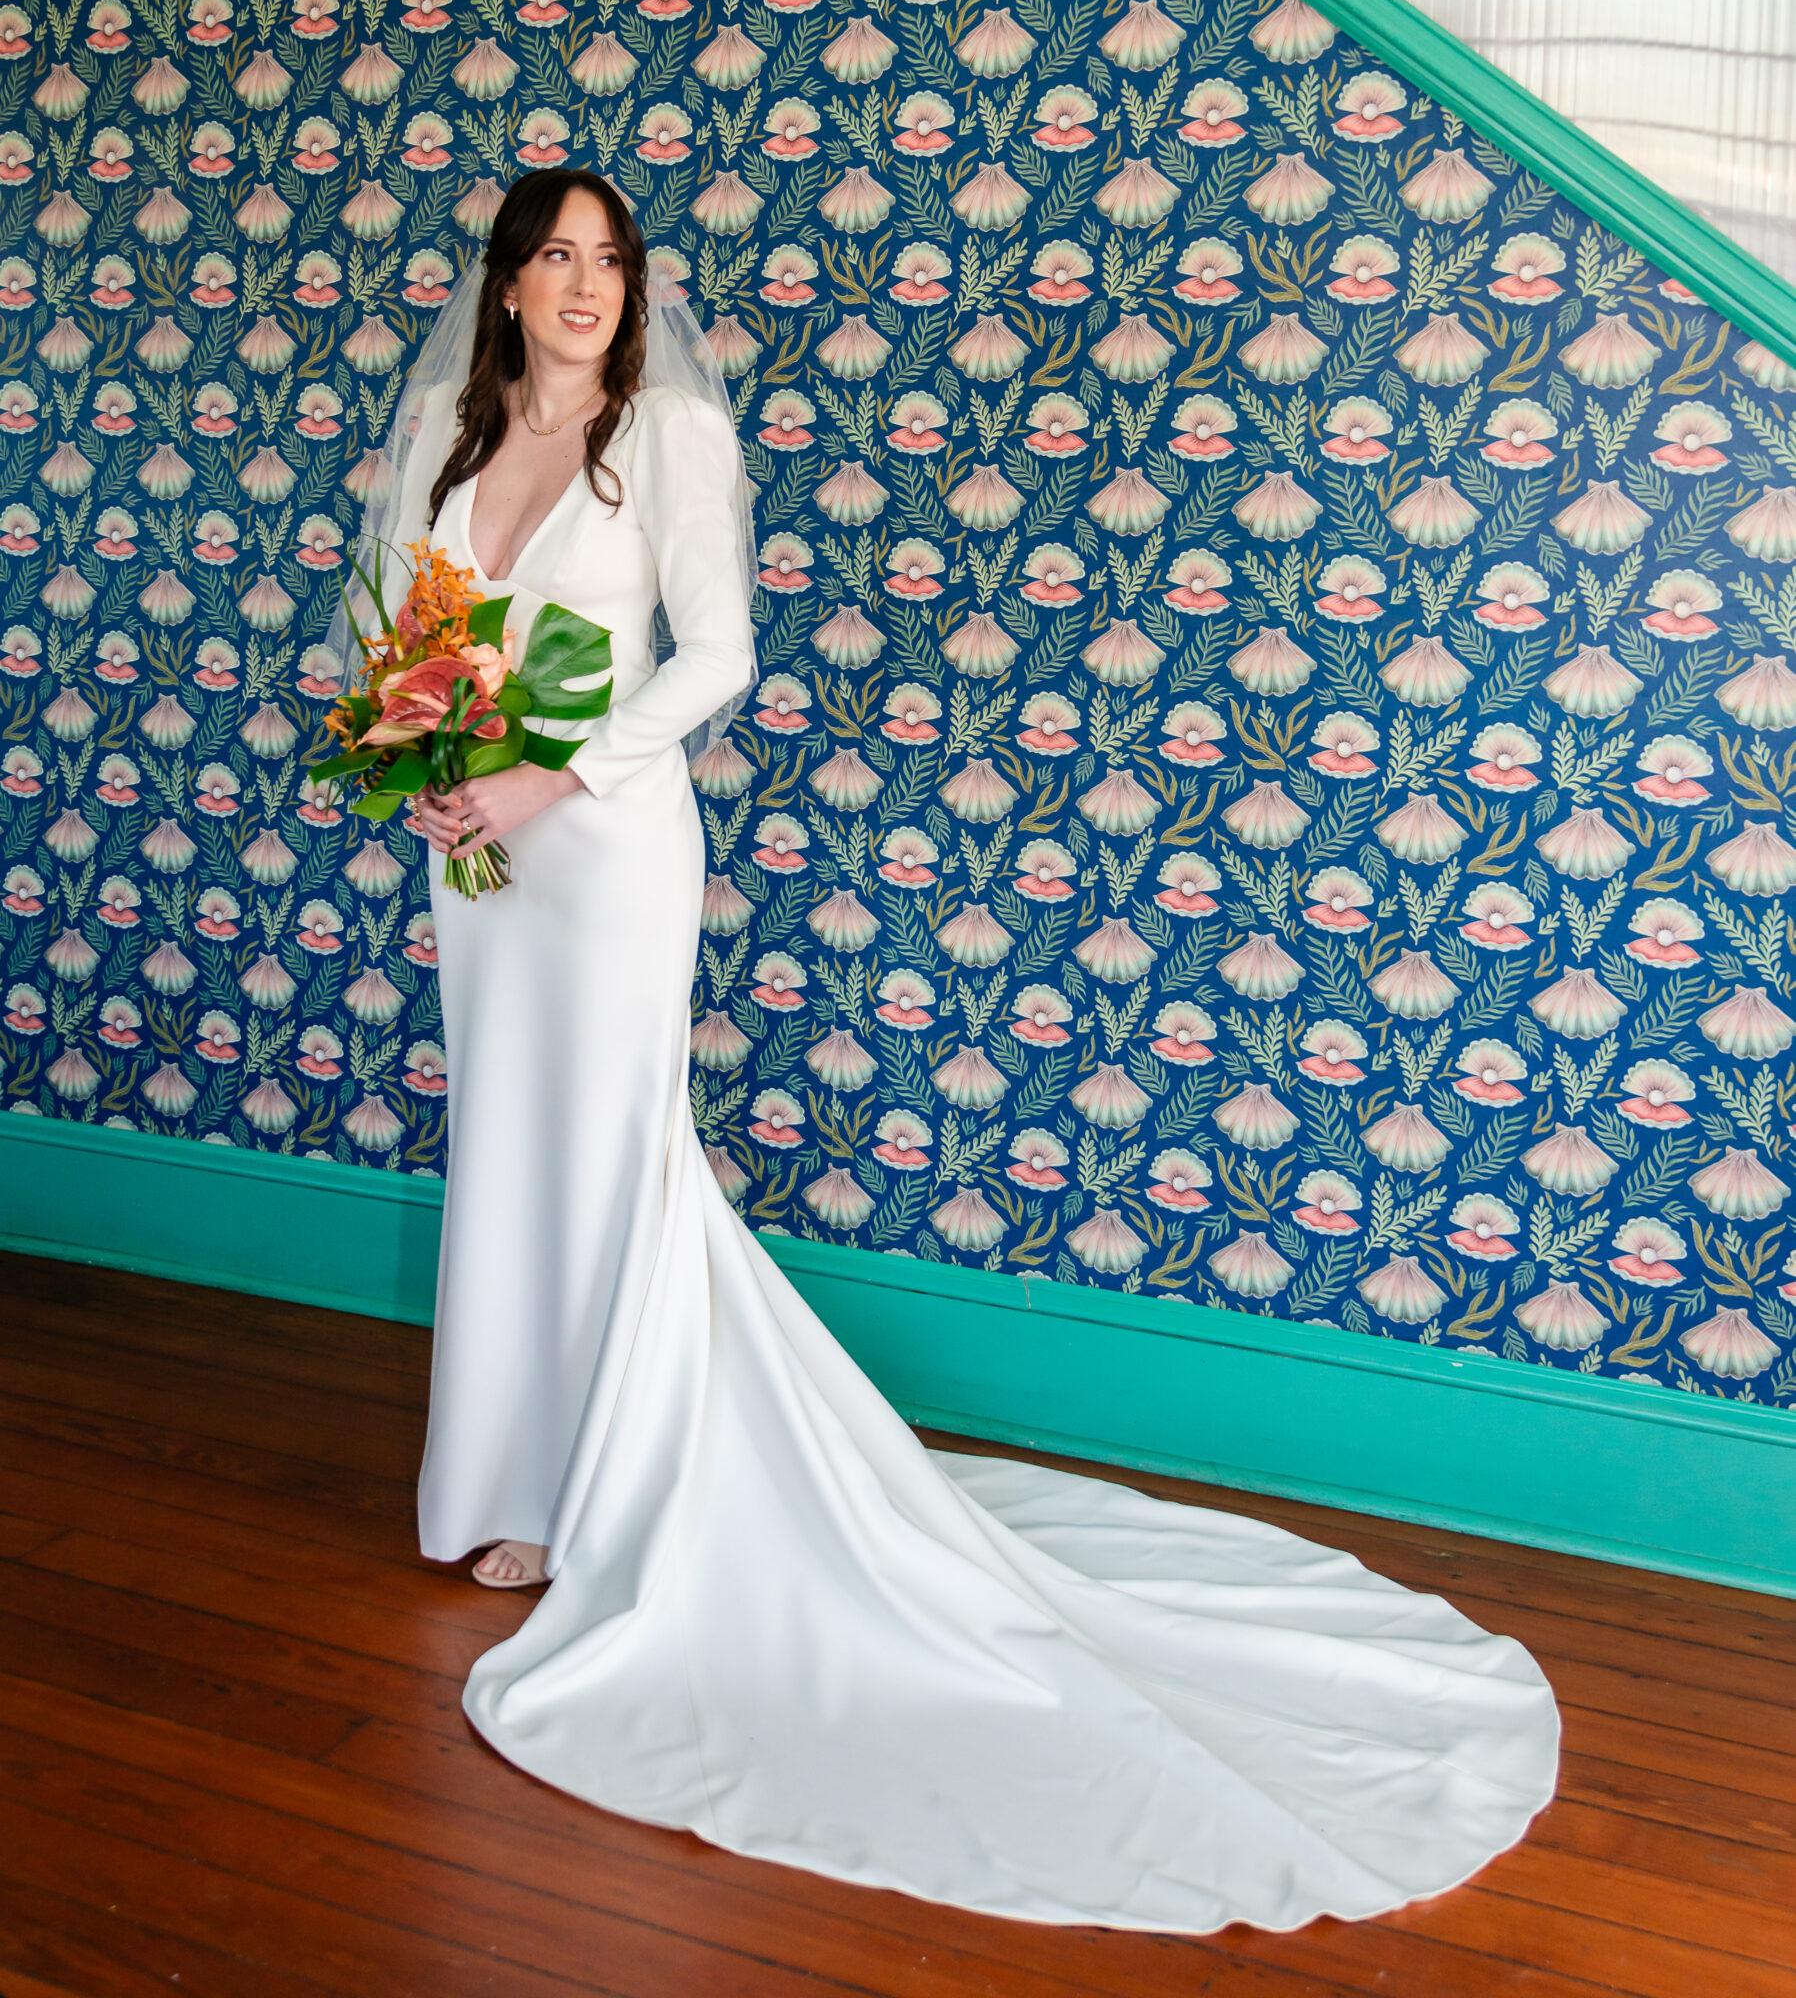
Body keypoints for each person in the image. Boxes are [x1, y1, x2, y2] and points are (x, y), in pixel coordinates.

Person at [347, 168, 1560, 1937]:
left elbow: (722, 659)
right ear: (508, 286)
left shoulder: (668, 431)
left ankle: (616, 1495)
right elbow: (417, 642)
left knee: (613, 1152)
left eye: (613, 261)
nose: (588, 287)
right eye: (558, 260)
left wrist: (550, 772)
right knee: (509, 1153)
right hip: (481, 864)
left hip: (604, 851)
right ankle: (508, 1480)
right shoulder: (458, 462)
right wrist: (437, 770)